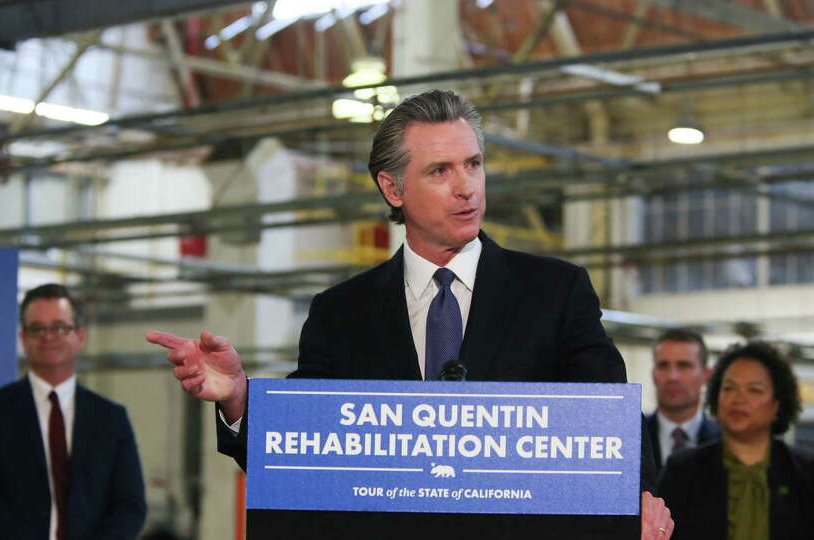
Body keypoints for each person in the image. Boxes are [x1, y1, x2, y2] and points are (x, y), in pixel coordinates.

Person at [147, 89, 673, 538]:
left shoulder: (556, 291)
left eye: (473, 164)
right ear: (392, 188)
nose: (466, 186)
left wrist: (642, 493)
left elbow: (611, 419)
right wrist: (240, 395)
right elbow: (306, 452)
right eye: (440, 171)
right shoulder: (341, 314)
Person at [0, 284, 146, 540]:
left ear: (79, 336)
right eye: (37, 328)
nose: (48, 336)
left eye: (59, 327)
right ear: (23, 339)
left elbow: (130, 504)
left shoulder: (111, 418)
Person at [658, 341, 813, 540]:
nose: (738, 398)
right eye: (729, 388)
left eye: (754, 390)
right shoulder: (682, 470)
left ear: (777, 404)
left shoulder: (805, 473)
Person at [645, 328, 720, 476]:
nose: (673, 376)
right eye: (663, 365)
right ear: (653, 375)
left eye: (684, 365)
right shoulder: (631, 438)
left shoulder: (726, 441)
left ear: (706, 375)